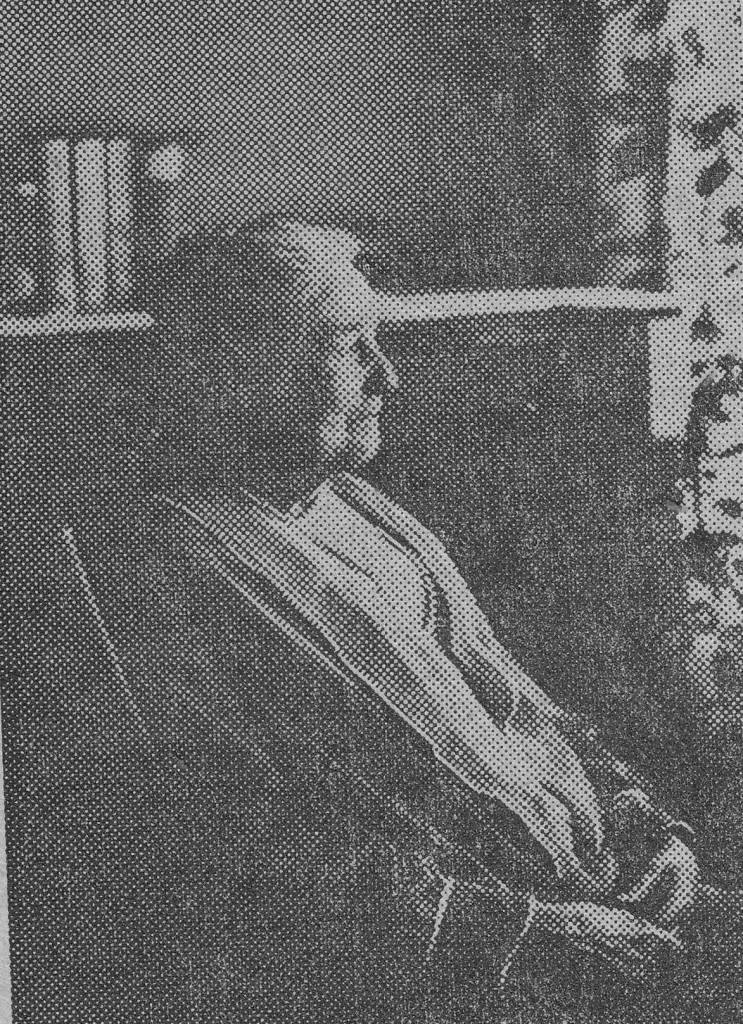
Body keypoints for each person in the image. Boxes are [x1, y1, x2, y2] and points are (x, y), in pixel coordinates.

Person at [11, 221, 738, 1023]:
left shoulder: (366, 512)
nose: (387, 377)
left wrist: (643, 827)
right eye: (350, 346)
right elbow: (237, 845)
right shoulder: (169, 565)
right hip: (441, 969)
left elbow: (521, 711)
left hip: (590, 889)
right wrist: (522, 934)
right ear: (246, 371)